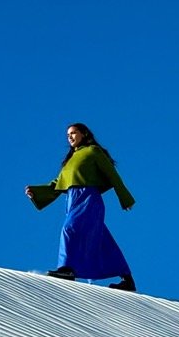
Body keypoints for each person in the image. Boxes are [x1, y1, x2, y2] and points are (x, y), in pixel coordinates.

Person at [26, 123, 137, 291]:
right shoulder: (70, 160)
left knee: (69, 229)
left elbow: (112, 175)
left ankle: (66, 269)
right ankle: (127, 279)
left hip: (88, 198)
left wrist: (125, 198)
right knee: (102, 239)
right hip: (72, 200)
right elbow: (58, 184)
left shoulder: (93, 151)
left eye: (73, 133)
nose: (69, 137)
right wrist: (37, 193)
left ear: (84, 133)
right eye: (67, 135)